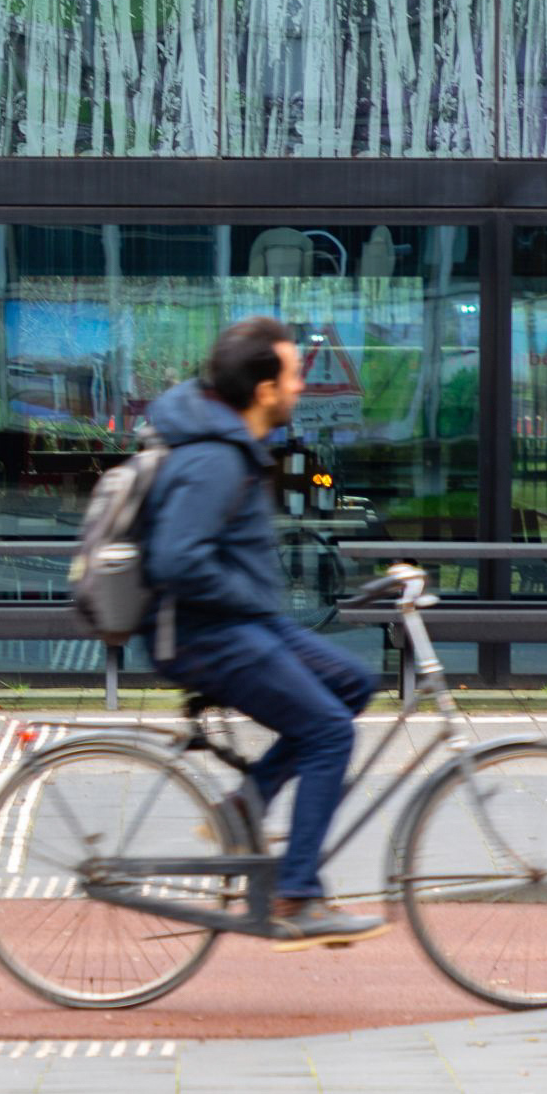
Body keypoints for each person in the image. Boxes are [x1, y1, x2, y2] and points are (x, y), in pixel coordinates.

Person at [142, 316, 386, 951]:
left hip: (243, 625)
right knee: (329, 732)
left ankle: (246, 806)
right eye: (293, 374)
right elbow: (175, 561)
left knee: (354, 683)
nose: (302, 386)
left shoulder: (232, 443)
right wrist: (248, 597)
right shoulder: (213, 459)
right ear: (262, 388)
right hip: (206, 637)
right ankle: (298, 896)